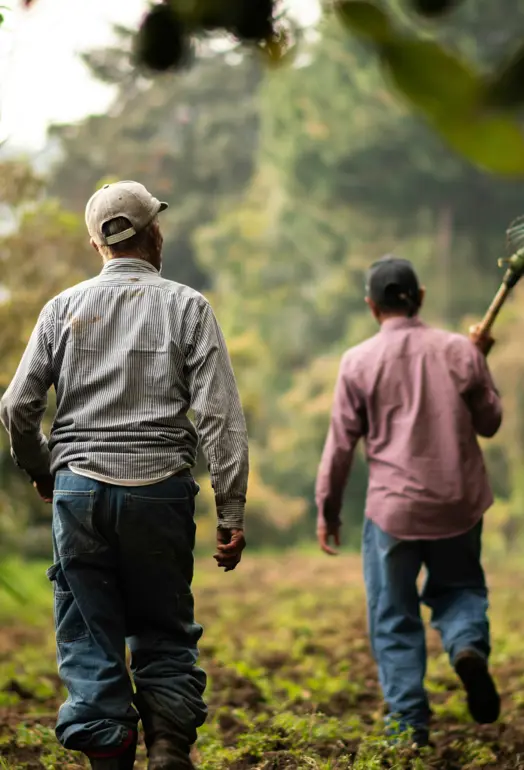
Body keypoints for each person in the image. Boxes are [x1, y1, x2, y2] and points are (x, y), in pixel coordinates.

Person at [0, 180, 249, 770]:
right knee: (163, 625)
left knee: (89, 631)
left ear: (96, 244)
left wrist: (42, 469)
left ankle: (110, 753)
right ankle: (167, 744)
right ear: (154, 234)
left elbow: (16, 406)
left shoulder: (63, 309)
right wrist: (230, 511)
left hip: (79, 491)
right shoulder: (189, 307)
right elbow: (220, 418)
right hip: (159, 492)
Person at [315, 255, 502, 747]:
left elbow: (340, 446)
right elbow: (490, 422)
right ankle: (466, 649)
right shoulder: (459, 352)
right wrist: (478, 359)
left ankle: (408, 726)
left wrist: (328, 509)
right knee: (460, 588)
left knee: (394, 614)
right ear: (419, 299)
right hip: (458, 504)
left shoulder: (357, 362)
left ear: (371, 307)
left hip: (393, 512)